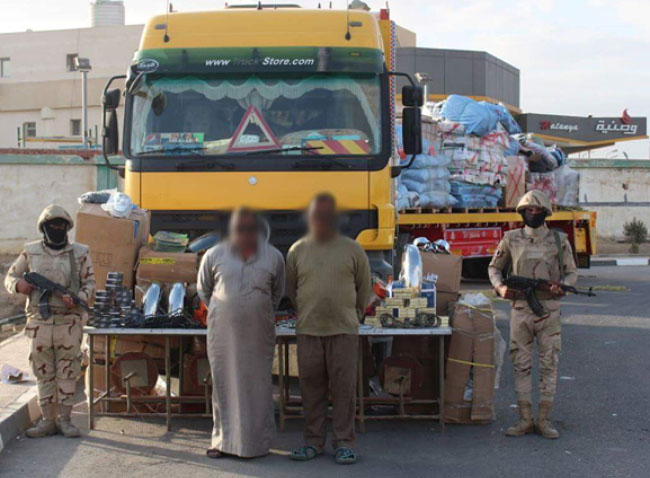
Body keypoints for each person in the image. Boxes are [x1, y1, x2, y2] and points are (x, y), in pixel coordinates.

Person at [287, 193, 371, 465]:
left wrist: (354, 314)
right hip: (309, 331)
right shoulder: (297, 250)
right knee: (311, 390)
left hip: (343, 330)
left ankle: (344, 443)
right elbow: (292, 290)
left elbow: (364, 289)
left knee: (344, 390)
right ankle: (313, 442)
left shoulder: (353, 249)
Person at [488, 190, 577, 439]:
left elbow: (571, 273)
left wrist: (562, 287)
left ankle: (544, 419)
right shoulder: (511, 239)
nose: (533, 214)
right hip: (520, 309)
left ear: (546, 213)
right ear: (522, 212)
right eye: (529, 211)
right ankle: (525, 419)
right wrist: (501, 287)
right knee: (521, 364)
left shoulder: (559, 241)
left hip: (549, 309)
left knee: (549, 362)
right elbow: (494, 267)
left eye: (538, 211)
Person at [197, 208, 285, 458]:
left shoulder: (274, 256)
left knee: (258, 384)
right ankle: (222, 442)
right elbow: (204, 290)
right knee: (224, 382)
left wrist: (254, 306)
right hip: (223, 332)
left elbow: (277, 293)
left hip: (259, 330)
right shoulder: (214, 254)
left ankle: (257, 444)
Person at [4, 205, 95, 438]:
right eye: (52, 225)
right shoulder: (30, 252)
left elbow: (90, 284)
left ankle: (65, 420)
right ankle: (47, 420)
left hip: (69, 323)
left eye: (61, 226)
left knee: (67, 372)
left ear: (67, 228)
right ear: (44, 228)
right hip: (39, 323)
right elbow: (11, 277)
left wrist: (78, 300)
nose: (57, 229)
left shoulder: (80, 253)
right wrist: (18, 286)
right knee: (43, 372)